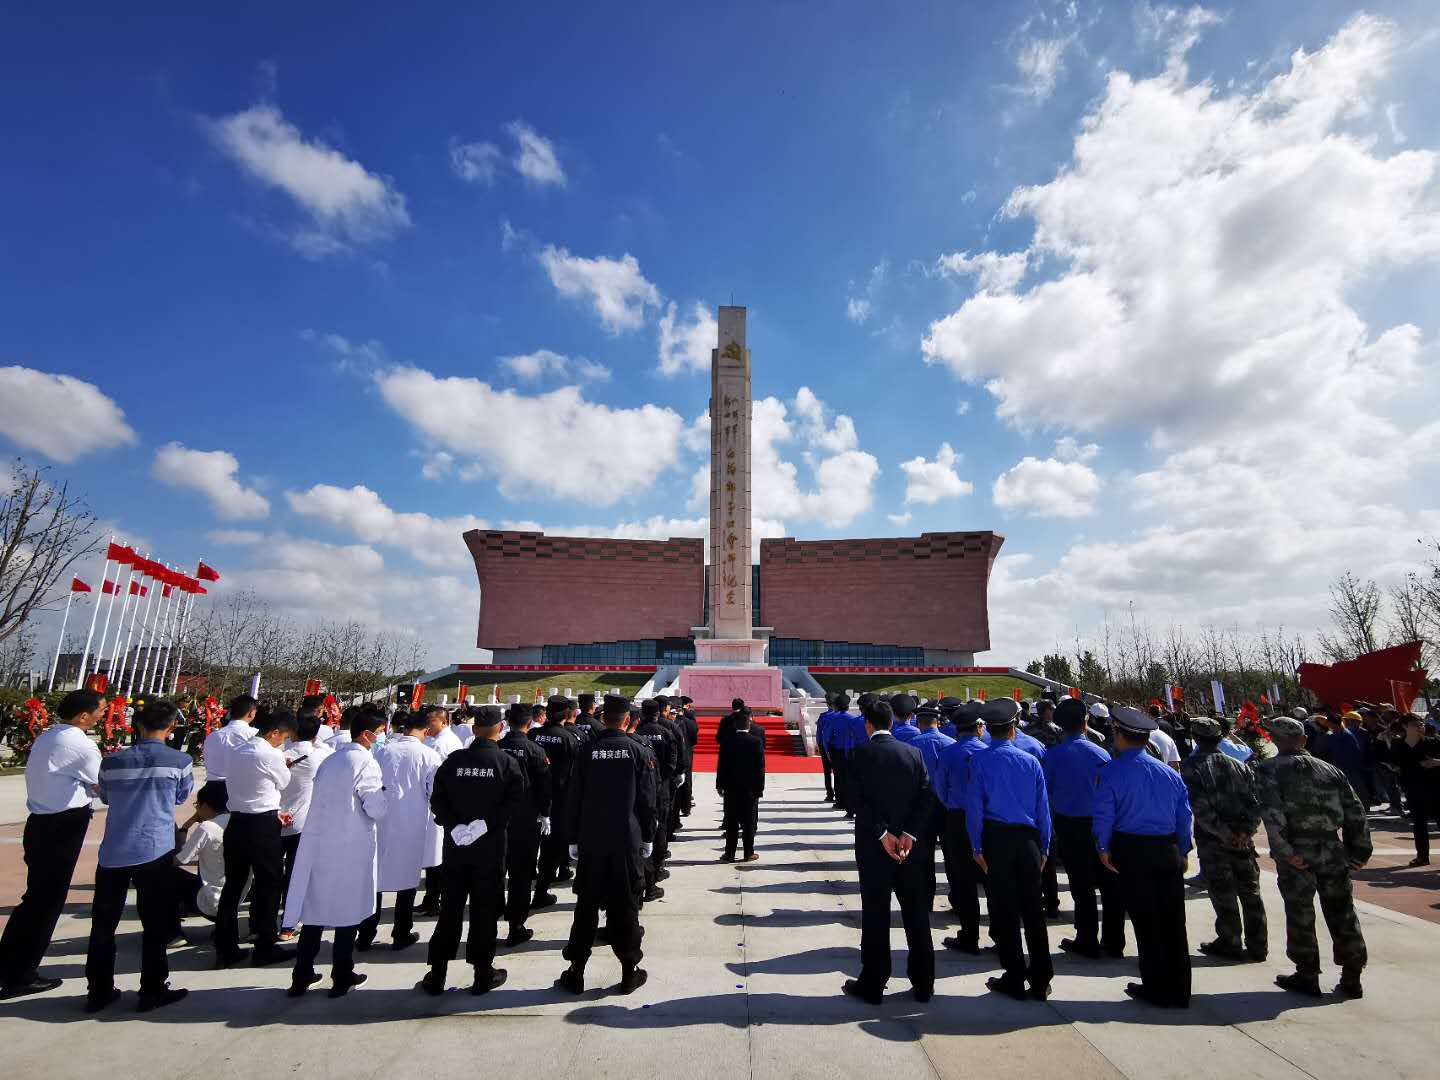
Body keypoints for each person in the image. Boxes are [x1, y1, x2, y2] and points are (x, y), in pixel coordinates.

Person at [84, 699, 194, 1013]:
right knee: (155, 923)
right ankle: (152, 989)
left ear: (138, 726)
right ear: (172, 727)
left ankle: (99, 991)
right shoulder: (179, 761)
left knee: (103, 925)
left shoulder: (112, 762)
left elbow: (104, 795)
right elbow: (181, 796)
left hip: (114, 851)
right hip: (155, 849)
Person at [1255, 716, 1371, 998]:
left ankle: (1307, 974)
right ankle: (1352, 976)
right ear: (1303, 740)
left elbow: (1272, 816)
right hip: (1332, 850)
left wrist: (1286, 853)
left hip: (1297, 853)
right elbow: (1355, 812)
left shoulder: (1268, 770)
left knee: (1300, 914)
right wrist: (1359, 851)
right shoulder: (1330, 770)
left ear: (1273, 740)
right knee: (1343, 913)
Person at [0, 688, 104, 999]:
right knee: (46, 903)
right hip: (62, 828)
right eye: (100, 709)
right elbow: (102, 783)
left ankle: (10, 963)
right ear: (83, 716)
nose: (103, 713)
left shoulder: (50, 736)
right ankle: (20, 974)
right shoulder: (80, 745)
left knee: (35, 899)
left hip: (41, 824)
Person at [420, 705, 526, 996]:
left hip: (456, 848)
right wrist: (486, 825)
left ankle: (437, 974)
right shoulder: (505, 763)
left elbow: (437, 798)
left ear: (474, 729)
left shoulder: (454, 761)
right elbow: (515, 803)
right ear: (499, 728)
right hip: (489, 849)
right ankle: (482, 974)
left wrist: (454, 825)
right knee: (484, 910)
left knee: (450, 910)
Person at [283, 708, 389, 998]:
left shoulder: (331, 759)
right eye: (379, 733)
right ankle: (342, 974)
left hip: (320, 845)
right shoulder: (365, 762)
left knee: (314, 911)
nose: (381, 738)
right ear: (366, 735)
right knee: (348, 912)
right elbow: (375, 807)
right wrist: (384, 795)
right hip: (350, 846)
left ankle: (301, 974)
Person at [555, 694, 656, 995]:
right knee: (625, 905)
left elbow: (574, 798)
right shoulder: (638, 751)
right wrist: (649, 837)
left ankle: (576, 971)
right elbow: (648, 802)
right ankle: (629, 971)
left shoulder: (587, 751)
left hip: (592, 840)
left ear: (603, 719)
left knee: (586, 906)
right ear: (627, 721)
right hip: (626, 840)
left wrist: (572, 837)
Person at [1093, 706, 1194, 1009]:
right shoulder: (1169, 773)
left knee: (1146, 922)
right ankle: (1179, 989)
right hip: (1167, 850)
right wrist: (1184, 849)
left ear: (1119, 735)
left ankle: (1156, 986)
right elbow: (1183, 815)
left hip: (1132, 850)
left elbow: (1104, 814)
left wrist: (1102, 847)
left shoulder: (1110, 772)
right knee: (1174, 922)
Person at [842, 696, 934, 1005]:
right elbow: (926, 797)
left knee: (876, 915)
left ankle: (874, 983)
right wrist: (907, 834)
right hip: (910, 851)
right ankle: (924, 983)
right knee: (916, 915)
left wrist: (883, 834)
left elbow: (854, 800)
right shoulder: (914, 753)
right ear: (892, 722)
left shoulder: (858, 754)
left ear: (868, 723)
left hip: (874, 848)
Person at [966, 699, 1052, 1001]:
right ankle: (1041, 977)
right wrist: (1044, 847)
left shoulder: (979, 761)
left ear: (988, 729)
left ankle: (1014, 975)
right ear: (1014, 728)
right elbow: (1043, 809)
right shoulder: (1031, 761)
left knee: (1004, 910)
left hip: (996, 840)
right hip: (1028, 840)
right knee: (1033, 910)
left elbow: (974, 808)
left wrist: (976, 846)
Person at [214, 707, 299, 968]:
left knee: (234, 886)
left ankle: (225, 947)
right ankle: (265, 945)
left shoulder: (238, 750)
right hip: (262, 825)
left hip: (237, 822)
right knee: (268, 885)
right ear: (274, 733)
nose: (282, 742)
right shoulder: (269, 754)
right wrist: (283, 764)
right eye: (283, 737)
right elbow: (283, 782)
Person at [1042, 697, 1124, 960]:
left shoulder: (1052, 756)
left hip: (1069, 825)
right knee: (1110, 883)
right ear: (1085, 723)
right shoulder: (1101, 753)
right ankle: (1114, 941)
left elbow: (1048, 792)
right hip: (1101, 825)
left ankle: (1087, 938)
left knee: (1081, 884)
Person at [1181, 715, 1267, 962]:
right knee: (1250, 892)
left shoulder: (1191, 767)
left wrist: (1225, 834)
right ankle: (1258, 944)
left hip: (1214, 840)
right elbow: (1255, 802)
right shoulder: (1238, 765)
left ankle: (1230, 940)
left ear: (1195, 738)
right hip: (1242, 840)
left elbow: (1199, 807)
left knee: (1223, 892)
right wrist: (1246, 832)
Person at [363, 709, 441, 951]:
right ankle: (401, 932)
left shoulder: (383, 751)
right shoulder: (429, 755)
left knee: (374, 878)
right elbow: (434, 792)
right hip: (412, 823)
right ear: (426, 730)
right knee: (407, 880)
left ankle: (365, 933)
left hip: (379, 821)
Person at [934, 701, 987, 953]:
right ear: (978, 727)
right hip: (988, 820)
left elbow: (941, 790)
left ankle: (969, 935)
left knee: (962, 878)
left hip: (957, 818)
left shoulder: (947, 753)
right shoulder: (988, 752)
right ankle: (1000, 934)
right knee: (992, 879)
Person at [498, 702, 552, 945]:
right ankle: (516, 926)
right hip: (525, 820)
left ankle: (493, 917)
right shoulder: (535, 750)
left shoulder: (497, 748)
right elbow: (543, 787)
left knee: (497, 873)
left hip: (497, 820)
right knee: (521, 875)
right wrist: (545, 812)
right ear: (529, 723)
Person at [279, 702, 334, 920]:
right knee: (297, 873)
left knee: (272, 875)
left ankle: (260, 922)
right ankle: (290, 918)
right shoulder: (321, 756)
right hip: (302, 821)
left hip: (275, 819)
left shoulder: (278, 755)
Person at [532, 697, 580, 908]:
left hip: (530, 798)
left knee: (529, 848)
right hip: (558, 799)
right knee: (551, 848)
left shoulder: (534, 735)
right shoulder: (569, 739)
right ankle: (541, 891)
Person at [417, 703, 464, 913]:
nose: (428, 724)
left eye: (432, 720)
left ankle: (434, 898)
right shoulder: (438, 740)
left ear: (443, 721)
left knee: (438, 856)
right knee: (435, 855)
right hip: (442, 802)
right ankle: (432, 897)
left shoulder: (441, 744)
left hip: (439, 804)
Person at [911, 705, 954, 909]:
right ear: (938, 722)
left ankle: (926, 899)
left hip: (922, 805)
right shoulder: (951, 744)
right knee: (953, 856)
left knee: (924, 855)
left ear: (919, 723)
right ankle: (957, 898)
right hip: (948, 806)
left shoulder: (911, 745)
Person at [635, 697, 679, 896]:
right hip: (661, 788)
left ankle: (643, 875)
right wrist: (662, 779)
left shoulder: (636, 733)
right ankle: (657, 868)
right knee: (659, 826)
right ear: (659, 712)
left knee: (641, 830)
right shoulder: (666, 732)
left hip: (638, 788)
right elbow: (673, 759)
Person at [1386, 715, 1440, 867]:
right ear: (1405, 727)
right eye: (1415, 724)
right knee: (1419, 823)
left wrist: (1436, 762)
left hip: (1435, 788)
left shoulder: (1434, 742)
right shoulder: (1398, 744)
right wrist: (1395, 767)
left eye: (1421, 723)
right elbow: (1393, 763)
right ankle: (1422, 856)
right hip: (1413, 789)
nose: (1420, 726)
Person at [172, 783, 229, 923]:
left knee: (165, 873)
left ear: (205, 806)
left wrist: (186, 826)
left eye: (197, 805)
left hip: (212, 901)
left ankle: (172, 930)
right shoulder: (238, 821)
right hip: (235, 898)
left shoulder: (207, 827)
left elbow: (179, 860)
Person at [717, 708, 766, 861]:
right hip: (750, 789)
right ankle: (748, 852)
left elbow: (721, 765)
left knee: (731, 821)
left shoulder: (726, 741)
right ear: (749, 725)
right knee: (748, 822)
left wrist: (720, 785)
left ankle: (729, 853)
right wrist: (760, 788)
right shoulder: (756, 742)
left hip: (731, 788)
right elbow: (760, 767)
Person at [198, 693, 257, 810]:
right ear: (251, 713)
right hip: (239, 789)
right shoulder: (255, 736)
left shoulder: (213, 736)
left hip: (211, 788)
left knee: (210, 826)